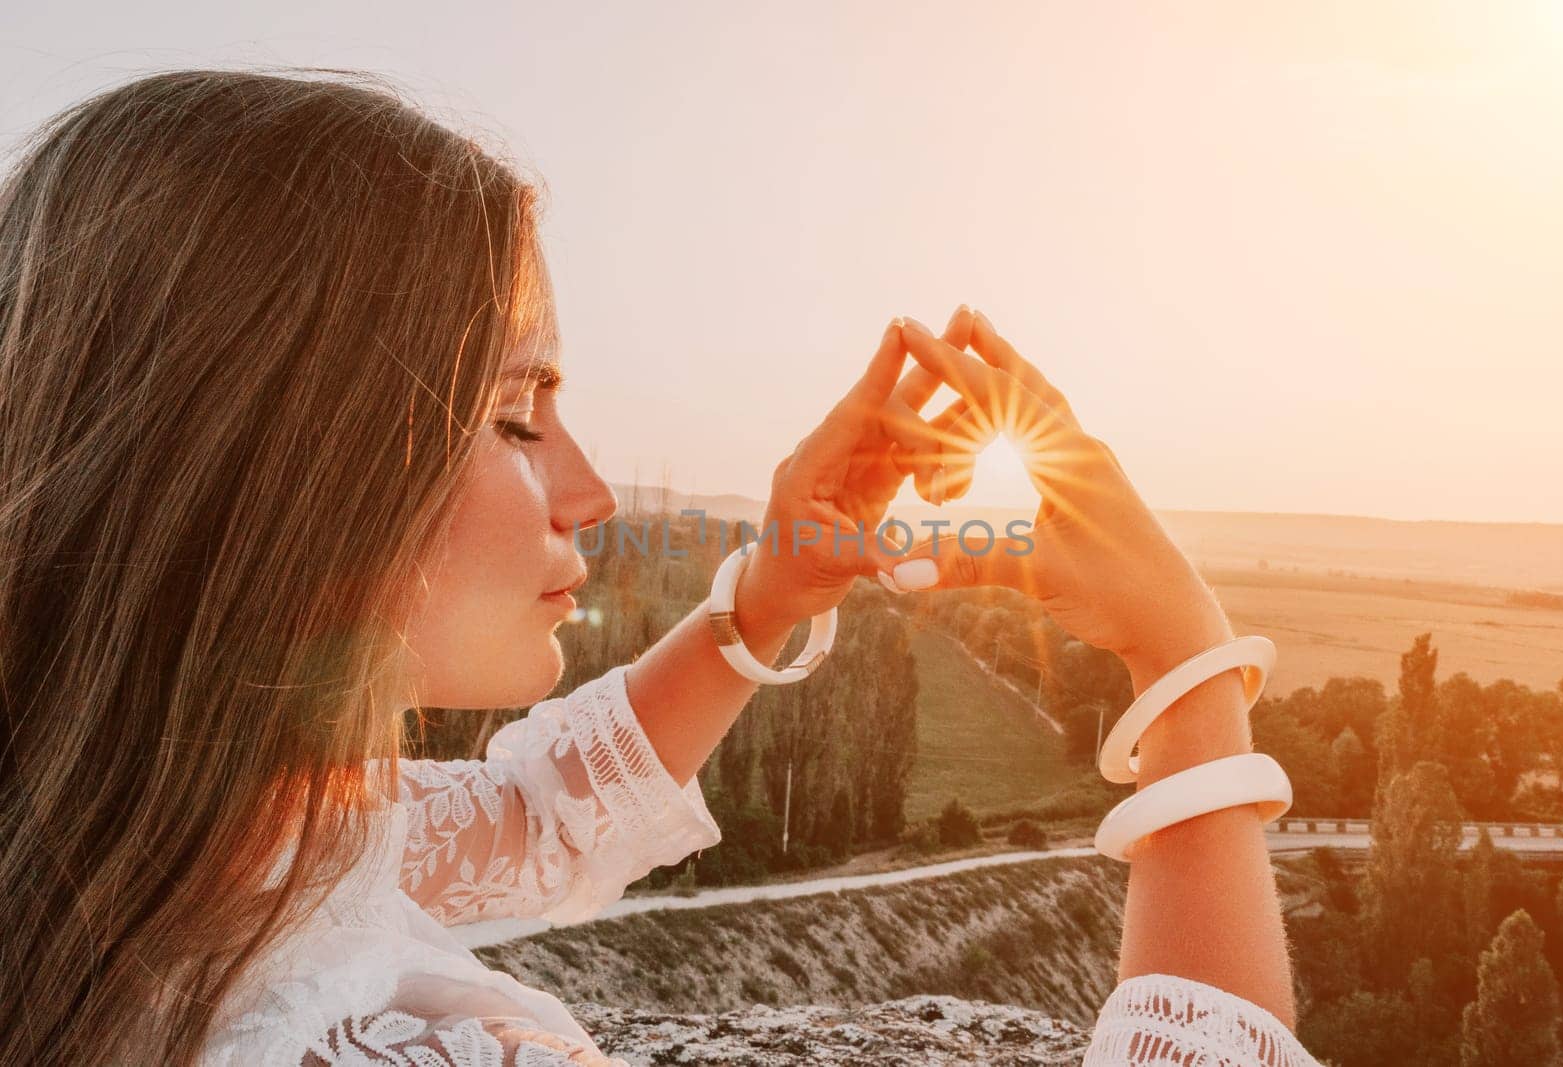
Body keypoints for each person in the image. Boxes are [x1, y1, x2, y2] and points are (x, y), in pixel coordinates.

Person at [0, 69, 1321, 1066]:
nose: (584, 490)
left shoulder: (137, 844)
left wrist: (773, 593)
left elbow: (532, 812)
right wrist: (1186, 667)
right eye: (516, 417)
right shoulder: (417, 1039)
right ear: (288, 473)